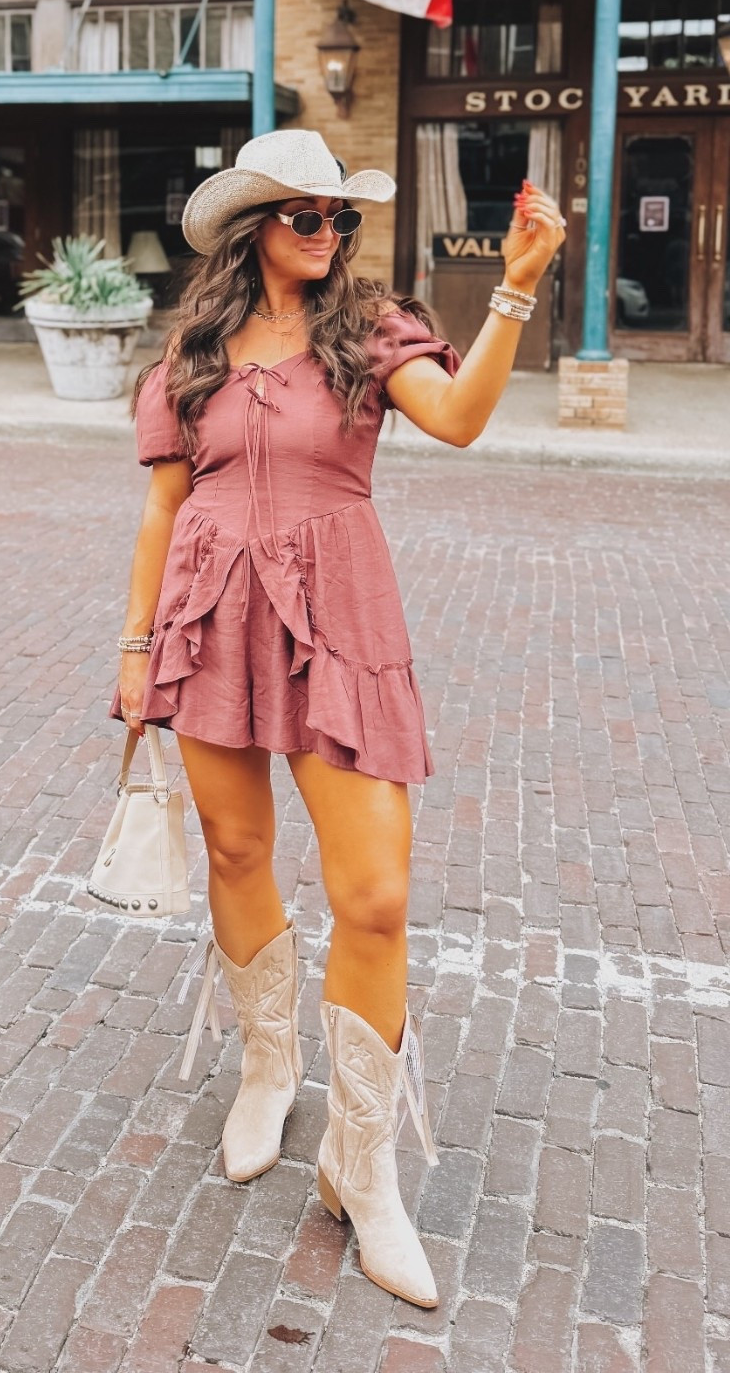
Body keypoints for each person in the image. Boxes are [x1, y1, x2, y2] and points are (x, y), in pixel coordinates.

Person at [110, 129, 565, 1310]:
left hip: (338, 617)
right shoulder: (194, 353)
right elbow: (164, 509)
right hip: (209, 611)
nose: (328, 233)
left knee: (374, 894)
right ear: (252, 227)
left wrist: (516, 285)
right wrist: (134, 646)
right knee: (236, 847)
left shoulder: (368, 328)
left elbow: (457, 416)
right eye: (306, 214)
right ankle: (268, 1063)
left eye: (339, 217)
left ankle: (362, 1164)